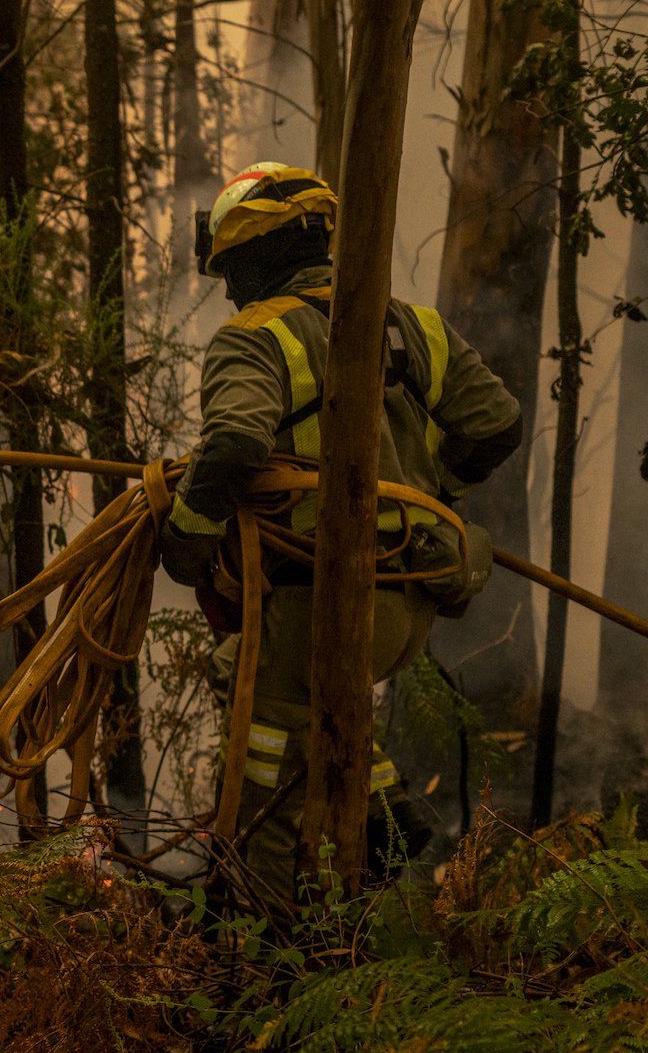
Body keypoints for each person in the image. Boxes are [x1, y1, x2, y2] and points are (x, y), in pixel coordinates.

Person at [161, 162, 522, 907]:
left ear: (259, 256)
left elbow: (233, 443)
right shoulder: (415, 326)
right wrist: (434, 497)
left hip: (316, 604)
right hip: (406, 608)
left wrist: (187, 542)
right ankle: (386, 815)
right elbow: (497, 424)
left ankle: (257, 927)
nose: (227, 291)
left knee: (262, 760)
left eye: (231, 269)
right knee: (251, 676)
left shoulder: (253, 338)